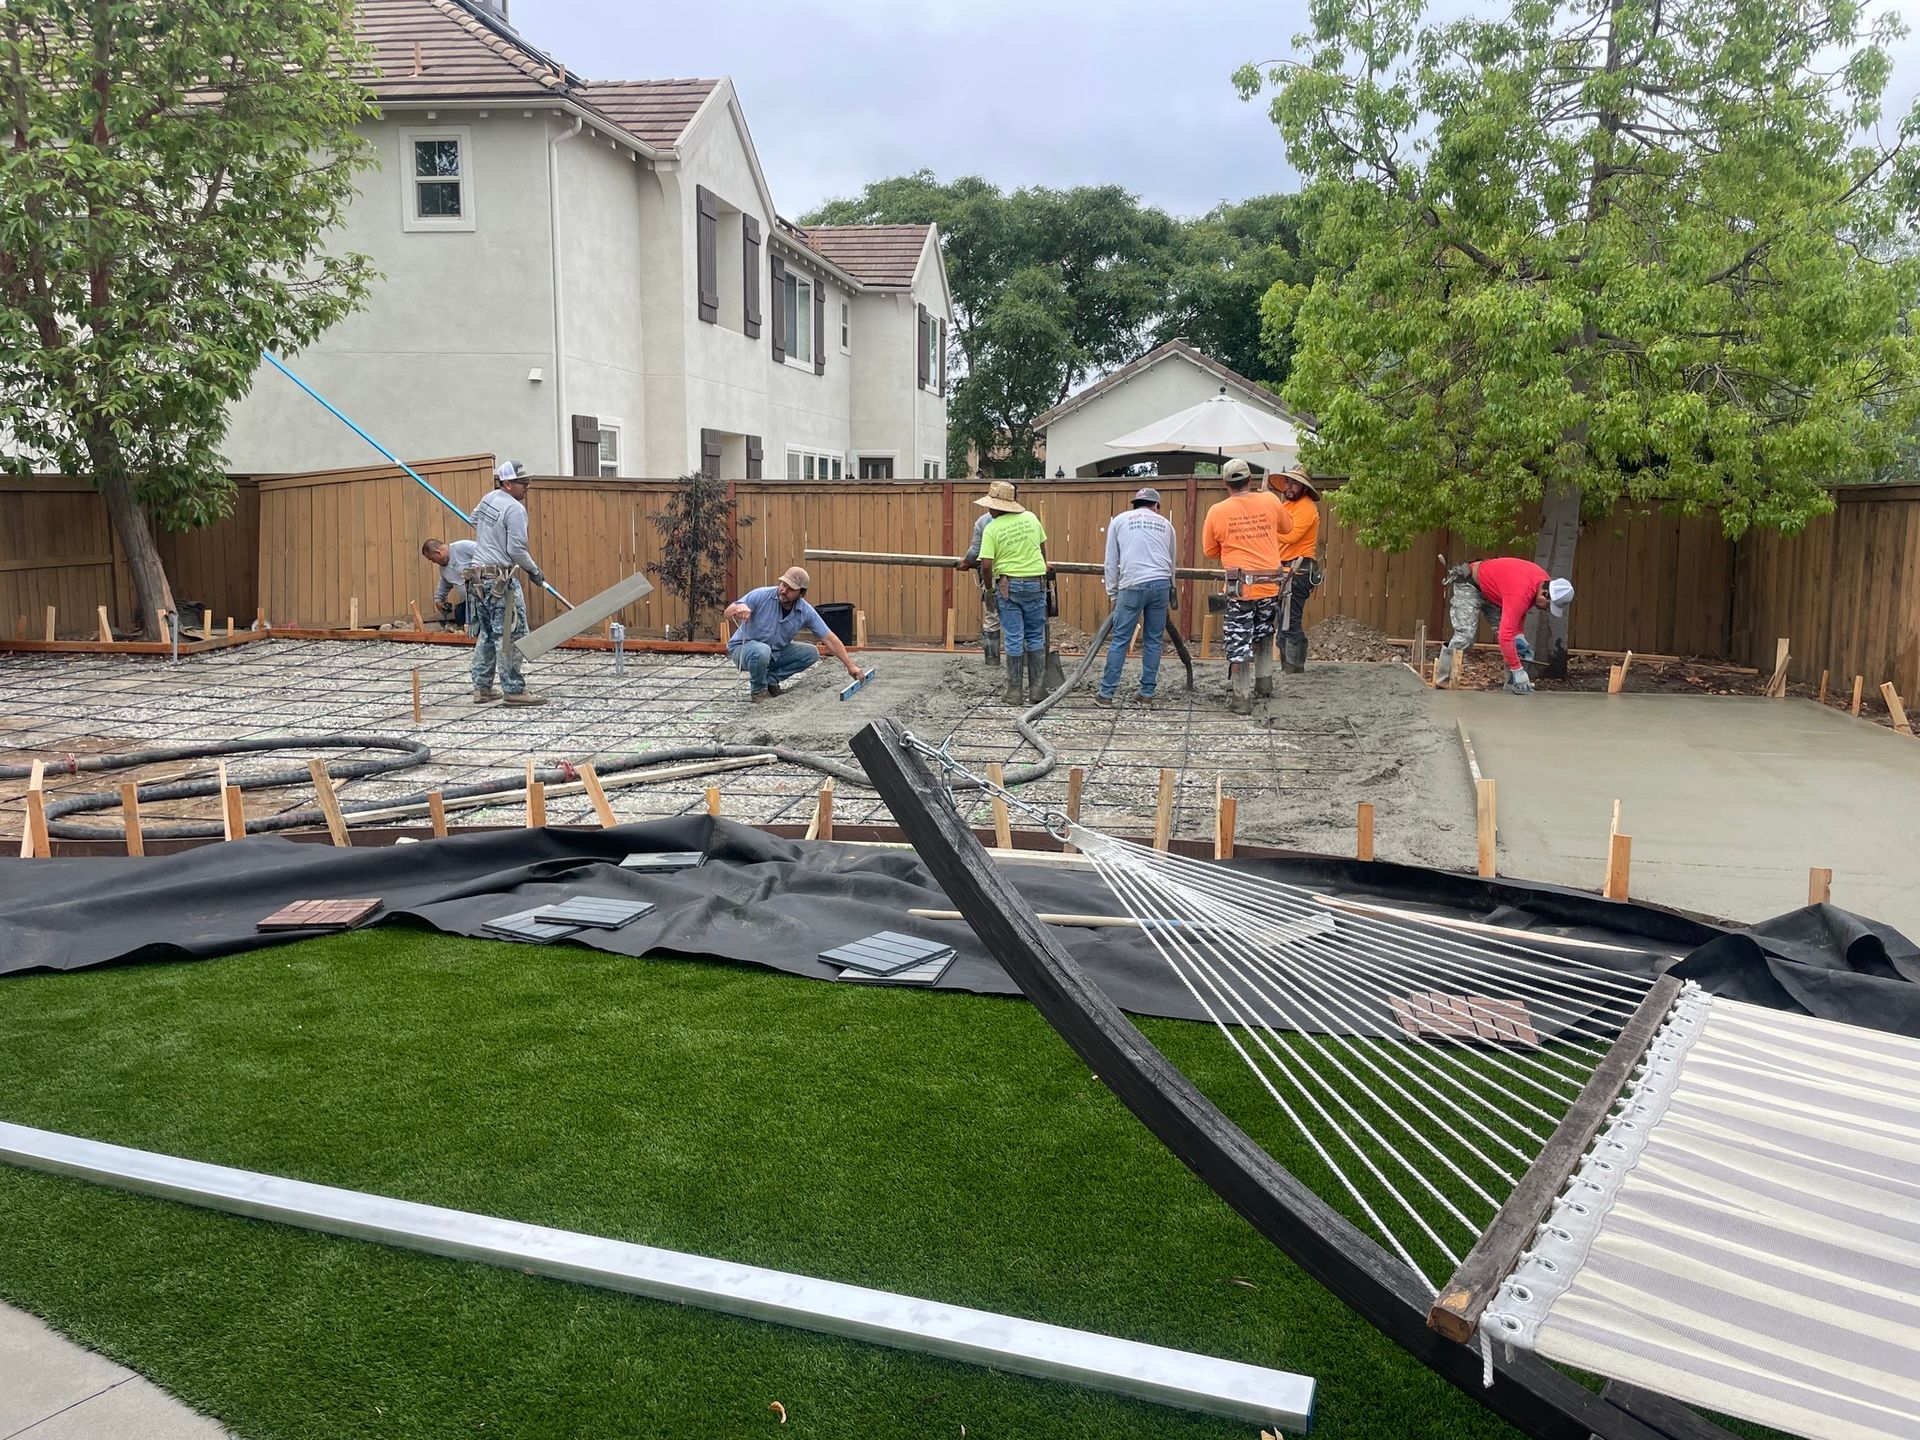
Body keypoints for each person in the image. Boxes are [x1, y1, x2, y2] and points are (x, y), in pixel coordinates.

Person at [1202, 458, 1293, 714]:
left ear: (1225, 483)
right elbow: (1288, 528)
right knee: (1264, 630)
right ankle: (1264, 684)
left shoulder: (1217, 511)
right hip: (1270, 585)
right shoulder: (1270, 501)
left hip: (1241, 588)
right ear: (1250, 480)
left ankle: (1241, 698)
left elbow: (1209, 550)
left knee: (1239, 638)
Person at [467, 459, 549, 706]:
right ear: (507, 483)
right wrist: (534, 571)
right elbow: (516, 549)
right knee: (512, 634)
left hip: (478, 578)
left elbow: (473, 519)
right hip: (500, 581)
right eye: (522, 482)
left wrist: (490, 536)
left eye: (527, 482)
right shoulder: (514, 509)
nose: (526, 486)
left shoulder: (488, 498)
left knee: (489, 633)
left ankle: (482, 688)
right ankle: (513, 690)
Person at [1435, 557, 1575, 695]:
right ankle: (1443, 681)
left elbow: (1521, 611)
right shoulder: (1521, 591)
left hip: (1495, 592)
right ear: (1544, 594)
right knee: (1465, 635)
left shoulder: (1543, 583)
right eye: (1548, 606)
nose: (1547, 610)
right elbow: (1506, 634)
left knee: (1515, 641)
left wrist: (1519, 637)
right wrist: (1517, 668)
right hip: (1470, 583)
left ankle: (1514, 684)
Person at [724, 565, 863, 703]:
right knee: (762, 651)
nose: (783, 590)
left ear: (801, 593)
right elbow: (727, 612)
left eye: (790, 589)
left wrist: (850, 666)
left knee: (811, 653)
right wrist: (739, 607)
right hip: (743, 650)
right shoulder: (761, 595)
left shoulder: (805, 611)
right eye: (783, 584)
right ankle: (758, 690)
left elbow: (829, 638)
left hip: (774, 652)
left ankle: (770, 680)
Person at [1097, 487, 1176, 708]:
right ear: (1156, 506)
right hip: (1160, 584)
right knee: (1153, 640)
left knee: (1121, 640)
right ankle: (1147, 694)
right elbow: (1172, 561)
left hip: (1132, 584)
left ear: (1135, 504)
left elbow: (1111, 561)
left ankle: (1106, 694)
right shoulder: (1166, 525)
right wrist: (1172, 589)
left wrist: (1112, 592)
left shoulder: (1120, 520)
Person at [975, 485, 1051, 705]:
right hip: (1036, 582)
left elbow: (986, 565)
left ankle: (1014, 692)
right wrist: (1043, 568)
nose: (989, 510)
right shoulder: (1032, 519)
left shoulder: (992, 528)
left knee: (1014, 637)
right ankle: (1037, 690)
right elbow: (1042, 549)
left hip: (1009, 585)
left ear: (999, 508)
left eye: (991, 506)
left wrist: (989, 589)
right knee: (1035, 635)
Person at [960, 481, 1014, 668]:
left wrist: (966, 562)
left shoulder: (985, 523)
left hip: (995, 578)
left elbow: (977, 552)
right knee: (1019, 622)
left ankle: (992, 661)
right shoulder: (1027, 520)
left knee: (992, 616)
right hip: (1022, 577)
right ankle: (1021, 665)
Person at [1274, 466, 1323, 674]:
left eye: (1294, 483)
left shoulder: (1306, 507)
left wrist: (1266, 531)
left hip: (1299, 569)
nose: (1289, 487)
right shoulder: (1287, 506)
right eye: (1287, 482)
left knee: (1290, 620)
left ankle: (1294, 666)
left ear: (1304, 487)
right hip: (1287, 569)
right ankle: (1289, 665)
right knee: (1283, 618)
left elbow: (1291, 536)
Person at [419, 536, 477, 628]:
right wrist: (438, 600)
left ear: (438, 553)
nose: (434, 562)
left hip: (487, 597)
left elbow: (487, 554)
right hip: (471, 604)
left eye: (433, 559)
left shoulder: (463, 547)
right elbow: (444, 585)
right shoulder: (444, 570)